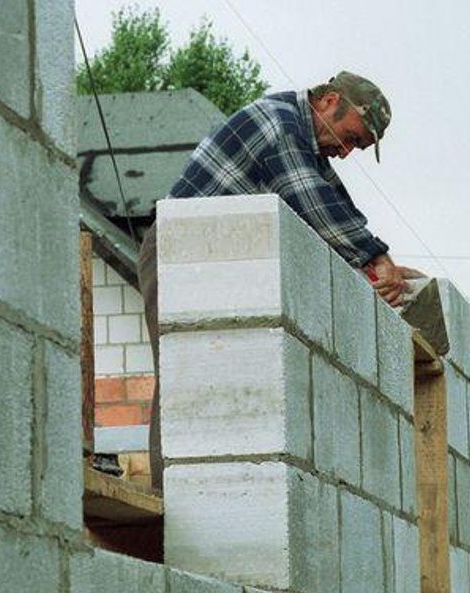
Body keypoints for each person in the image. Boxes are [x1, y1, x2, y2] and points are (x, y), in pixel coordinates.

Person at [137, 70, 413, 490]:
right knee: (182, 374)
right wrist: (375, 256)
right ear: (328, 102)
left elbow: (338, 203)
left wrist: (382, 260)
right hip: (179, 253)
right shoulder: (277, 124)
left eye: (357, 146)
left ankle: (217, 492)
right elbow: (316, 206)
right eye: (351, 137)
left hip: (219, 261)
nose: (346, 152)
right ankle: (169, 496)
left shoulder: (307, 144)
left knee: (225, 380)